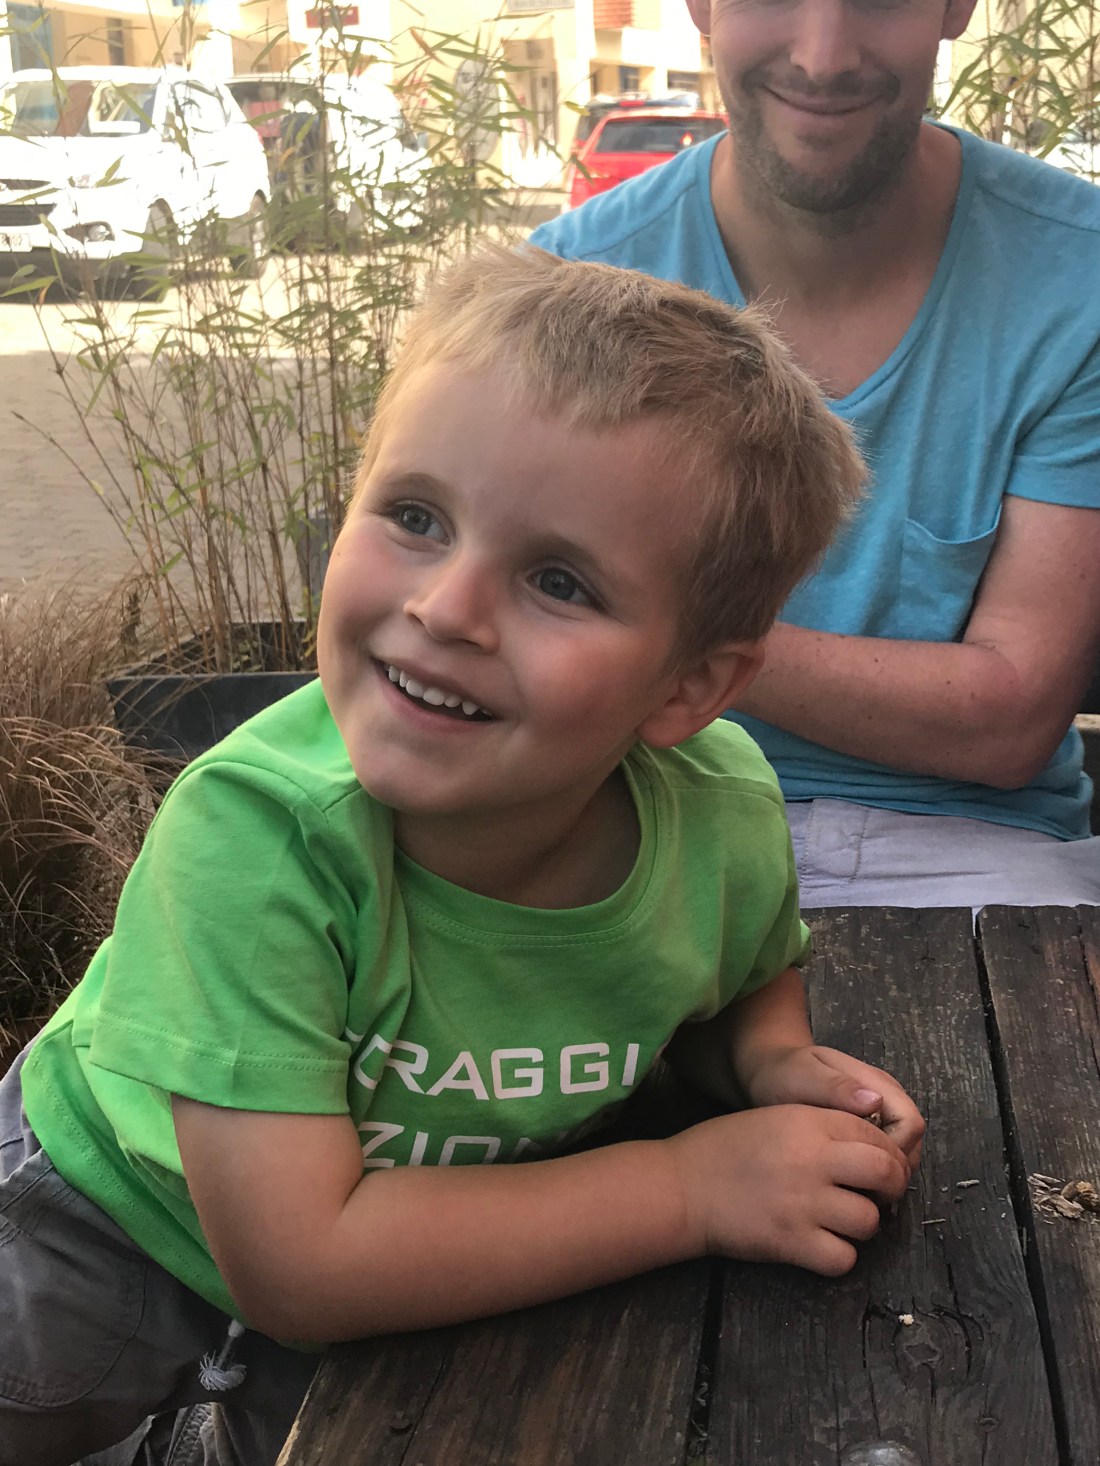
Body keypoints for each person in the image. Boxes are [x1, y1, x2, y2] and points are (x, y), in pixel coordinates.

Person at [0, 246, 924, 1466]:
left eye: (558, 580)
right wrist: (693, 1188)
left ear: (688, 687)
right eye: (415, 516)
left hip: (418, 1246)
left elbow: (743, 967)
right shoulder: (256, 834)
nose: (444, 606)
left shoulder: (719, 811)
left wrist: (771, 1060)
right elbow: (303, 1265)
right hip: (108, 1205)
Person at [532, 0, 1100, 910]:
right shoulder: (567, 291)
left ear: (957, 8)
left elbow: (1009, 720)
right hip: (632, 835)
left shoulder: (1080, 277)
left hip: (976, 850)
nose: (823, 56)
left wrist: (658, 631)